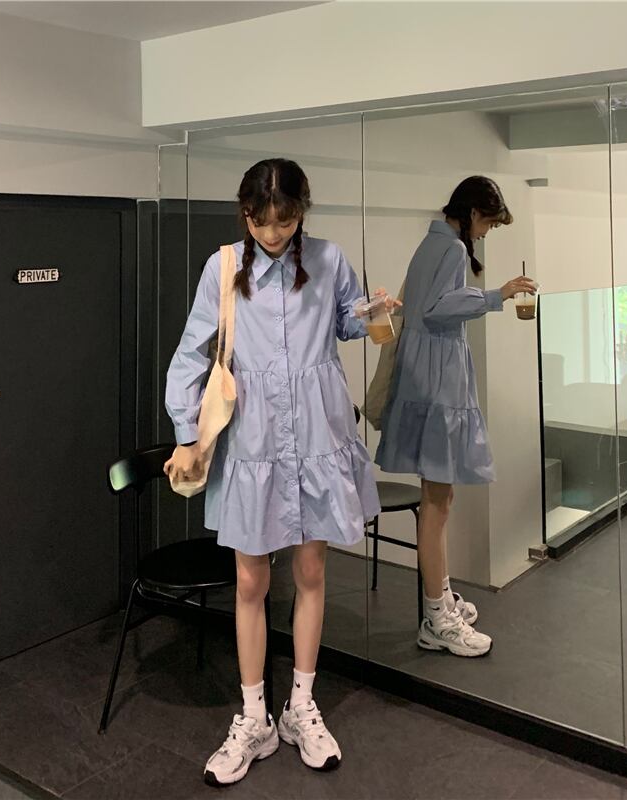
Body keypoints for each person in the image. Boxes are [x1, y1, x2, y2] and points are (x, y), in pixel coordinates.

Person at [164, 158, 394, 785]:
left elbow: (346, 324)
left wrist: (373, 311)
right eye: (261, 221)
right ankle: (252, 718)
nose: (272, 233)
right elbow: (191, 352)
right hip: (254, 438)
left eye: (285, 221)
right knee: (249, 581)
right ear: (246, 215)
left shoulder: (329, 258)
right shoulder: (223, 268)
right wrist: (185, 433)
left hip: (318, 432)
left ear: (301, 213)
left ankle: (301, 707)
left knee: (312, 572)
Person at [375, 176, 535, 658]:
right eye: (488, 223)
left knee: (439, 498)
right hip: (438, 380)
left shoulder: (434, 244)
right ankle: (436, 617)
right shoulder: (450, 248)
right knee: (438, 502)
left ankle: (441, 600)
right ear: (472, 213)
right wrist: (497, 295)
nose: (486, 232)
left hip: (427, 375)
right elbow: (437, 309)